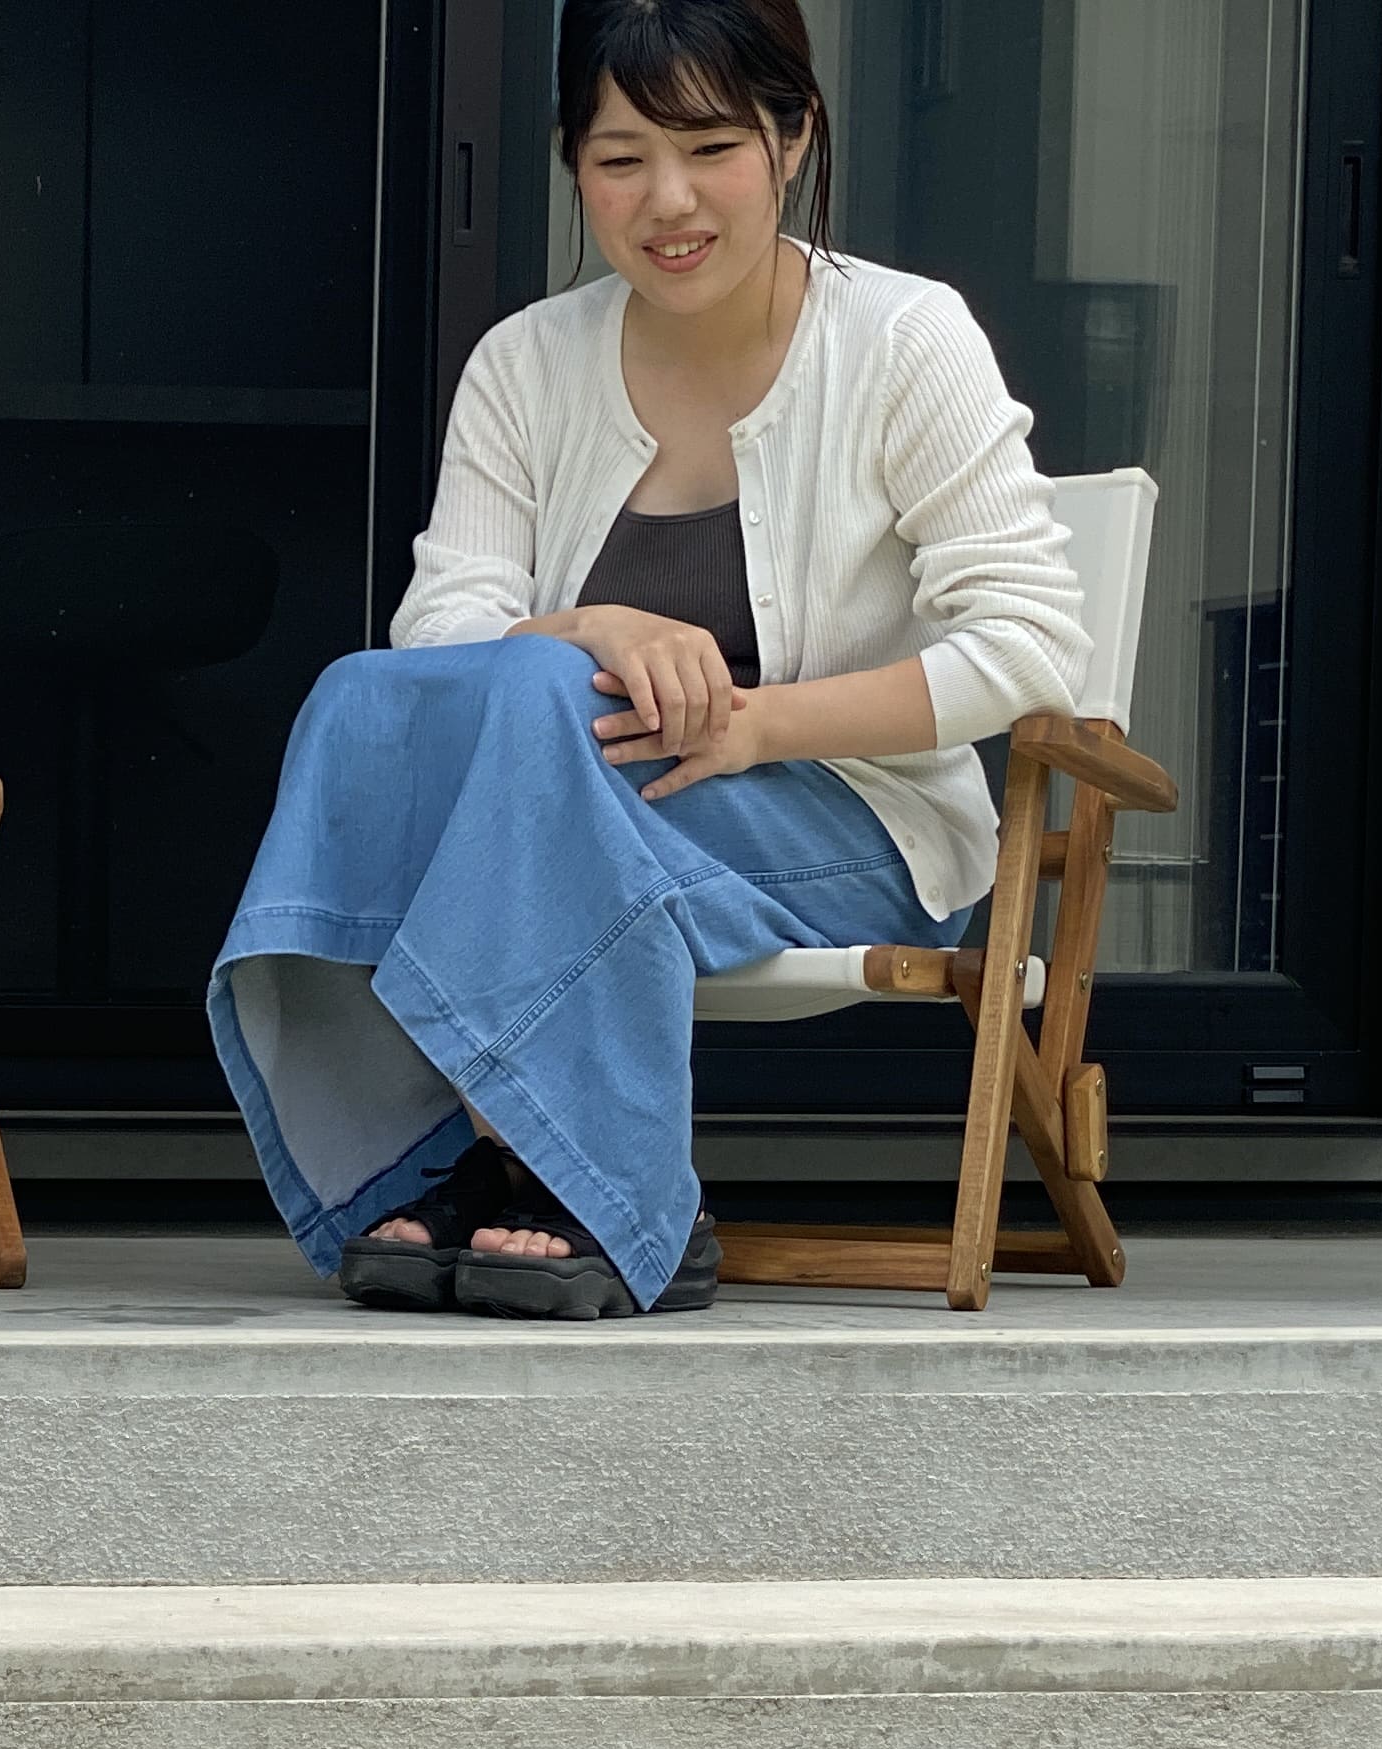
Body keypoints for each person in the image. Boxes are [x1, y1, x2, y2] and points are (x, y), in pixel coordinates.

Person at [209, 0, 1088, 1319]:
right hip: (579, 805)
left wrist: (756, 725)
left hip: (845, 829)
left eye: (710, 147)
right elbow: (439, 644)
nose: (667, 202)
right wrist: (593, 629)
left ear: (793, 139)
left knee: (535, 707)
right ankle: (463, 1153)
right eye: (621, 159)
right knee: (366, 701)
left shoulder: (904, 344)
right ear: (574, 165)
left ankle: (596, 1186)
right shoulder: (526, 363)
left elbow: (1029, 648)